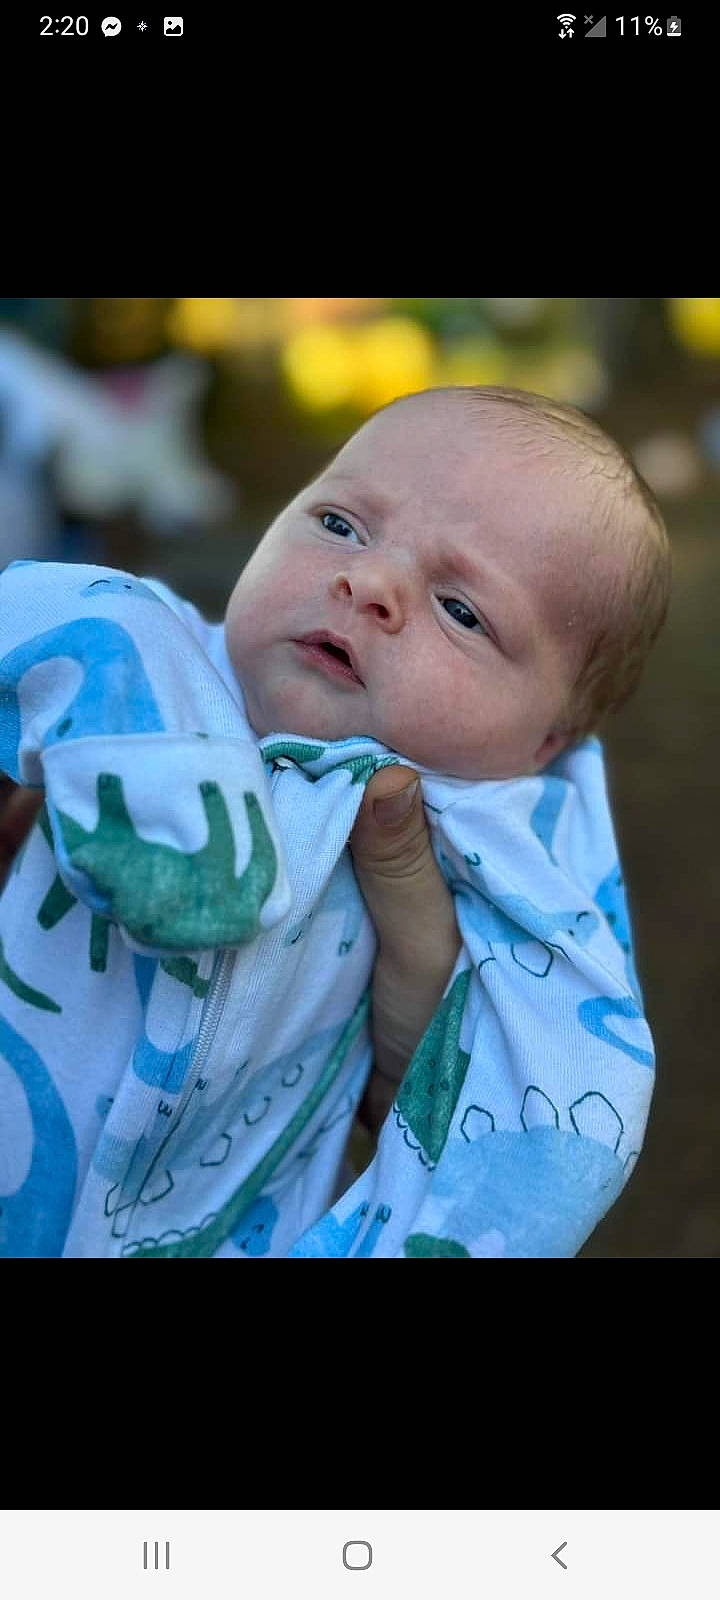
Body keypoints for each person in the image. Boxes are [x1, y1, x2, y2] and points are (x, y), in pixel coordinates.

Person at [0, 386, 671, 1259]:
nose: (370, 581)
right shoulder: (146, 653)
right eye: (340, 524)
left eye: (462, 611)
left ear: (544, 743)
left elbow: (568, 1092)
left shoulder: (504, 855)